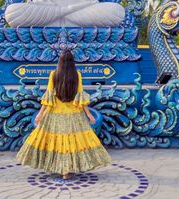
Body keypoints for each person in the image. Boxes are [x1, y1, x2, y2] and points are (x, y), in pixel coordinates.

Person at [17, 50, 110, 178]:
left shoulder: (54, 75)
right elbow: (80, 98)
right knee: (72, 142)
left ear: (59, 62)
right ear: (72, 63)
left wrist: (40, 114)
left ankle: (61, 169)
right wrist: (89, 115)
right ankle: (67, 170)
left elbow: (48, 97)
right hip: (74, 114)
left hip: (55, 113)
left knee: (57, 142)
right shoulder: (77, 75)